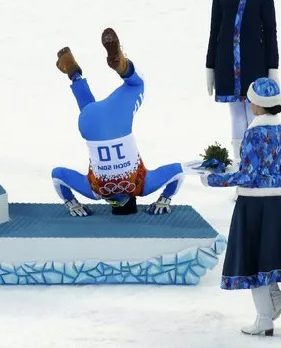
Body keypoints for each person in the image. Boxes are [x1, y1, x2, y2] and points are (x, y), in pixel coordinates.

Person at [201, 77, 281, 337]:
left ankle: (263, 320)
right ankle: (276, 301)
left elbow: (247, 176)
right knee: (268, 255)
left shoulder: (253, 133)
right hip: (279, 202)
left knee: (254, 260)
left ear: (257, 105)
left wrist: (212, 179)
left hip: (254, 203)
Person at [52, 28, 187, 217]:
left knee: (137, 85)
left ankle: (122, 64)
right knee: (90, 112)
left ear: (134, 199)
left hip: (118, 119)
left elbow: (178, 172)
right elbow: (57, 175)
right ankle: (73, 73)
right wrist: (71, 202)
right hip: (89, 123)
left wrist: (165, 199)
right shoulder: (95, 192)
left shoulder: (143, 187)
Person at [206, 0, 280, 164]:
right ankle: (240, 168)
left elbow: (270, 29)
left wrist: (272, 67)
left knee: (254, 113)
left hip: (253, 62)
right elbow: (214, 28)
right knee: (235, 115)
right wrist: (210, 66)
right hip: (226, 62)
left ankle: (256, 164)